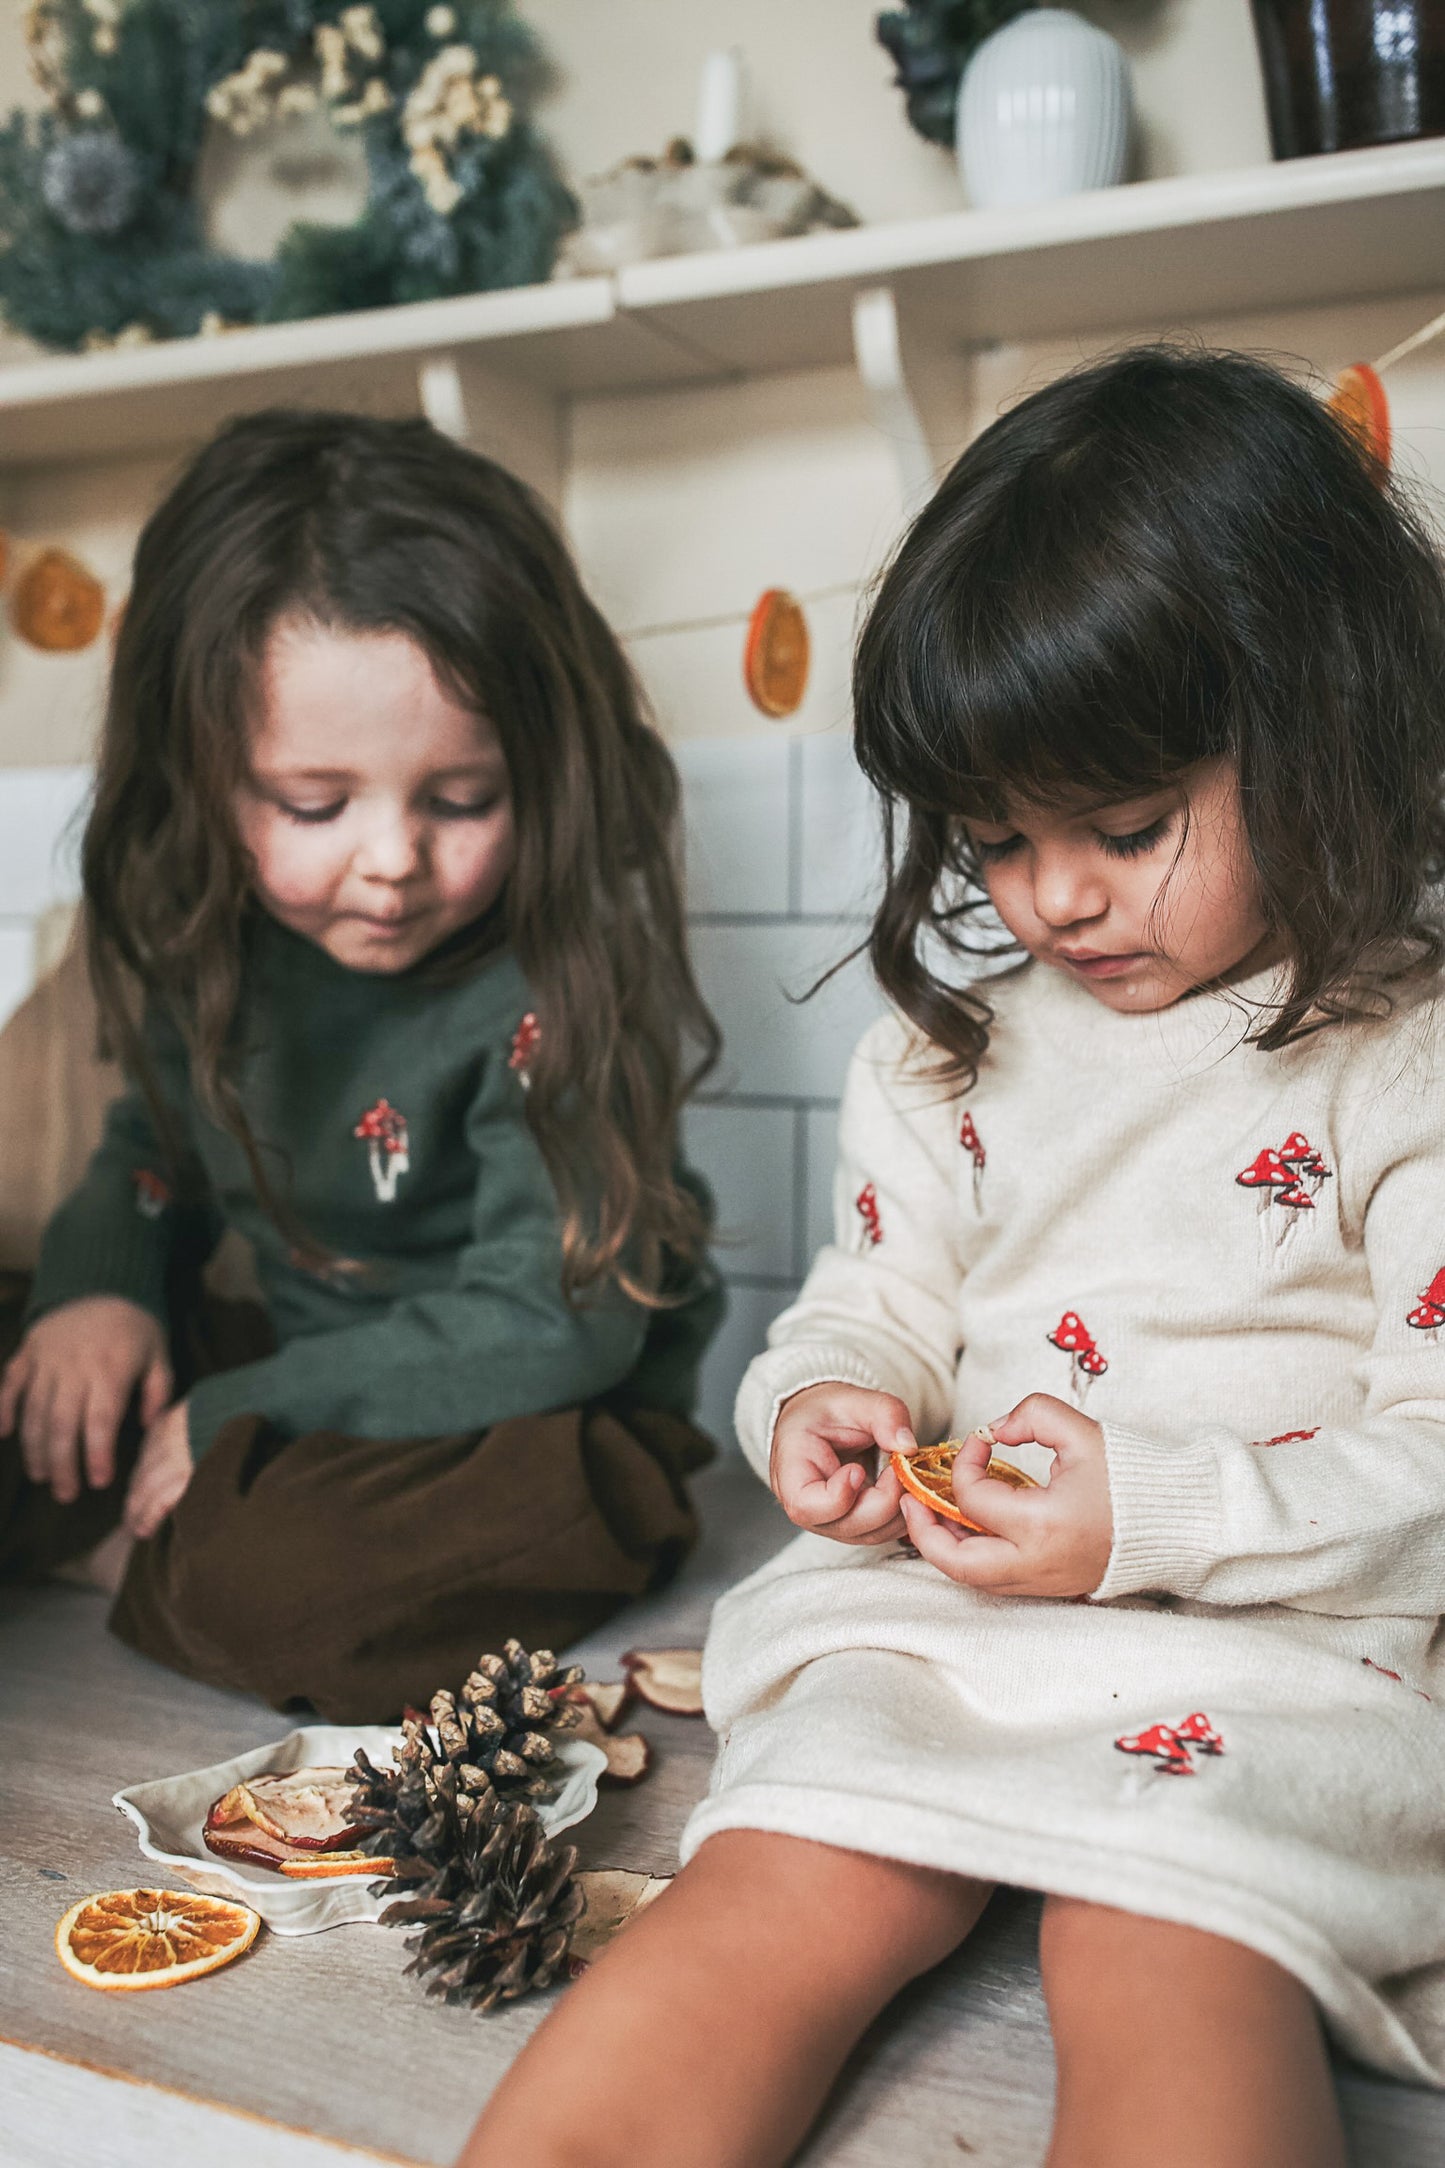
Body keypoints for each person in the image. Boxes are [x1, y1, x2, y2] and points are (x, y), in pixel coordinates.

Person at [461, 348, 1445, 2168]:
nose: (1054, 896)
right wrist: (824, 1397)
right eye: (997, 838)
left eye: (1126, 827)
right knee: (776, 1878)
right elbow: (880, 1297)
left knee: (1170, 1937)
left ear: (1324, 728)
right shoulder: (947, 1051)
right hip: (950, 1616)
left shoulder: (1408, 1047)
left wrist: (1146, 1518)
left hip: (1283, 1642)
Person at [0, 410, 723, 1721]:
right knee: (30, 1371)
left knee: (289, 1594)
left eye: (459, 801)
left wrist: (241, 1410)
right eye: (315, 805)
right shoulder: (212, 941)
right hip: (310, 1378)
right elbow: (149, 1158)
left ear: (539, 777)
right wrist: (91, 1294)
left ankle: (135, 1549)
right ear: (207, 778)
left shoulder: (549, 986)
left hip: (546, 1415)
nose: (391, 860)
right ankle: (154, 1528)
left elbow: (550, 1321)